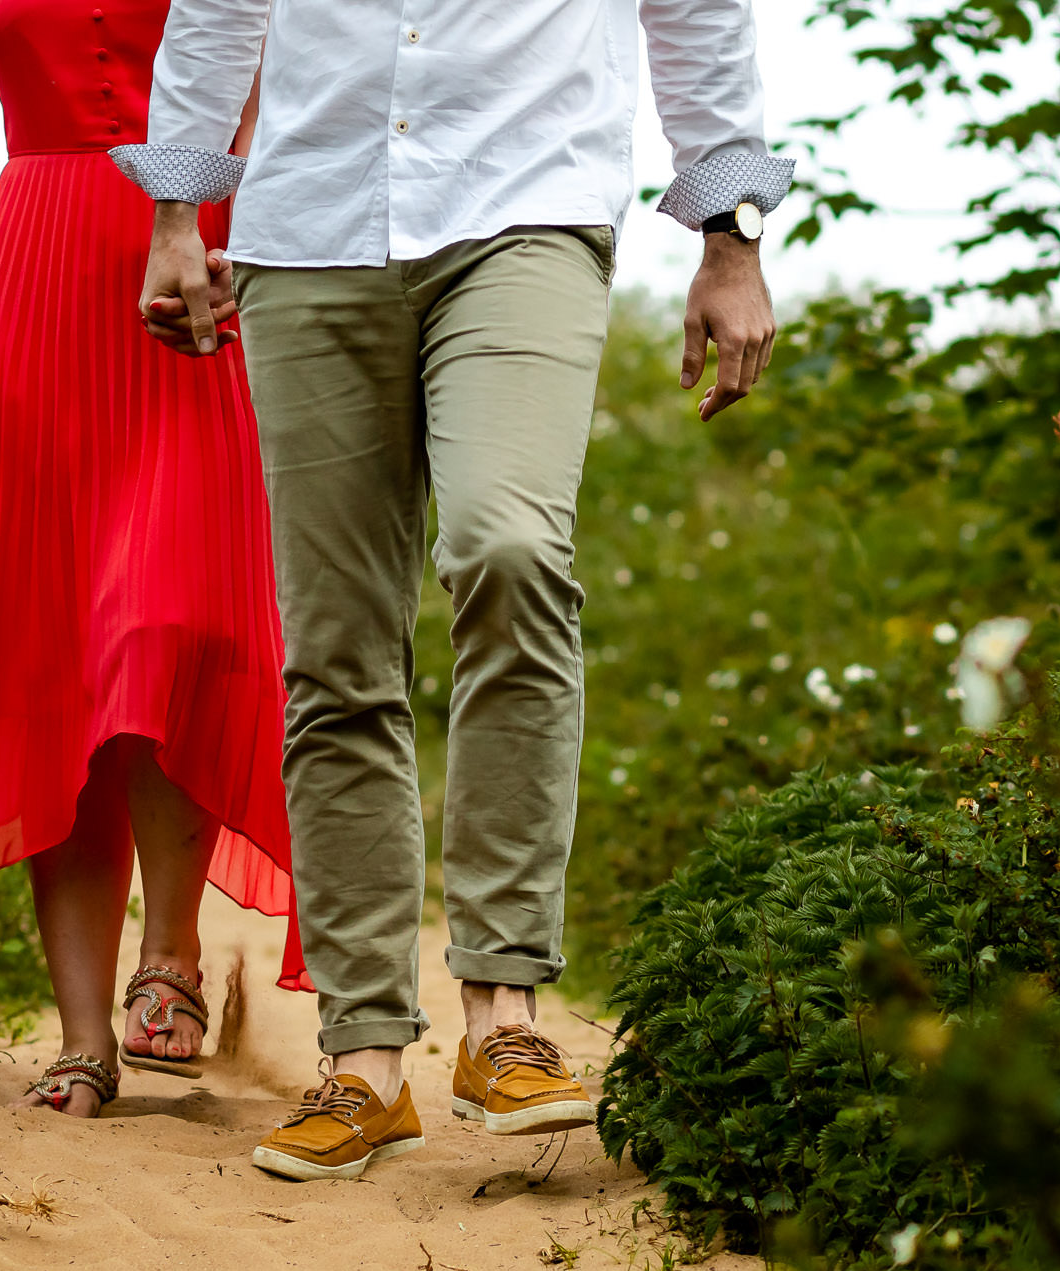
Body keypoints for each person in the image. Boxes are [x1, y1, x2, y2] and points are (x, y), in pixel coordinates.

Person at [112, 0, 790, 1177]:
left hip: (527, 208)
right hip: (311, 228)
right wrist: (179, 213)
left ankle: (505, 1013)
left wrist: (731, 243)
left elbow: (697, 16)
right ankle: (364, 1053)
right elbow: (220, 9)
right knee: (336, 643)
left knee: (510, 551)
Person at [0, 0, 304, 1119]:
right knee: (60, 658)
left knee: (167, 619)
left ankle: (175, 946)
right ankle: (84, 1033)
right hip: (30, 288)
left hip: (190, 274)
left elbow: (271, 99)